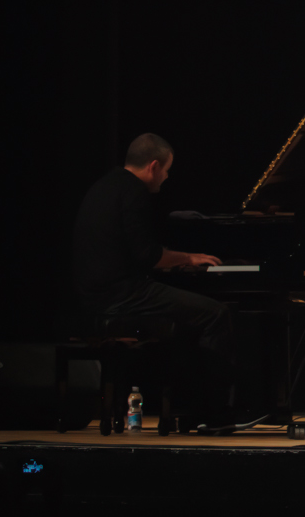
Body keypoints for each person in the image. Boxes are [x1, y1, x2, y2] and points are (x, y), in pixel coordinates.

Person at [72, 133, 237, 429]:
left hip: (95, 295)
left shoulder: (104, 186)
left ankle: (186, 407)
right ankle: (214, 414)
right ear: (153, 166)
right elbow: (147, 256)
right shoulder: (134, 192)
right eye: (166, 170)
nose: (166, 177)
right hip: (123, 294)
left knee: (188, 316)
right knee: (215, 314)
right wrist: (188, 258)